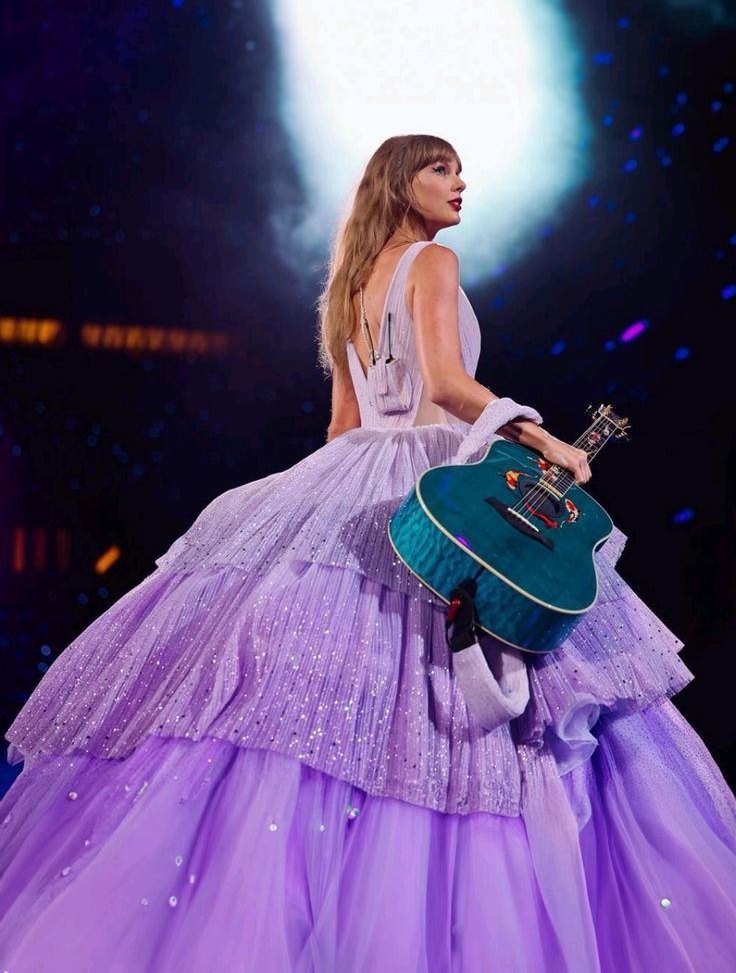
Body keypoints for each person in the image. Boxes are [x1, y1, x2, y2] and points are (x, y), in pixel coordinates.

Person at [0, 132, 734, 972]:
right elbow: (452, 390)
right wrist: (545, 444)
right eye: (441, 169)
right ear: (400, 181)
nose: (462, 183)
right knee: (471, 701)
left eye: (460, 167)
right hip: (428, 477)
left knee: (323, 714)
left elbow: (345, 428)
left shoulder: (347, 284)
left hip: (349, 479)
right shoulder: (431, 262)